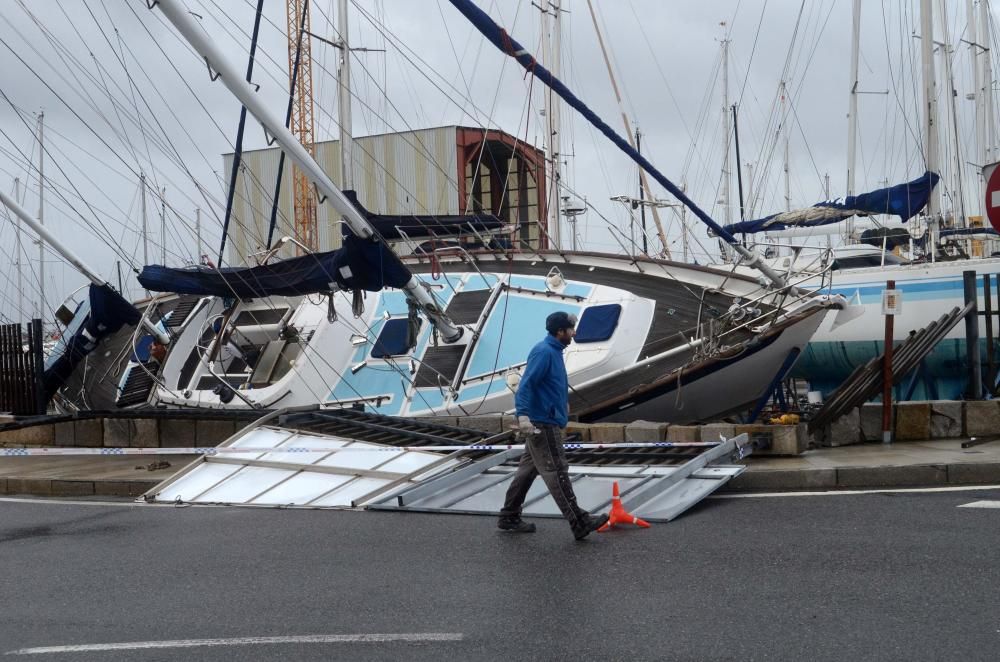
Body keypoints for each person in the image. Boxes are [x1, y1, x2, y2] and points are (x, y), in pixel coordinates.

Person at [498, 311, 609, 540]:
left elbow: (549, 384)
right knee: (557, 471)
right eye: (571, 329)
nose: (574, 332)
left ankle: (508, 516)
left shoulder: (554, 351)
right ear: (560, 332)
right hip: (542, 425)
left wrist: (562, 403)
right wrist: (523, 417)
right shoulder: (545, 352)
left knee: (526, 472)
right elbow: (526, 386)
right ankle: (579, 521)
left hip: (546, 418)